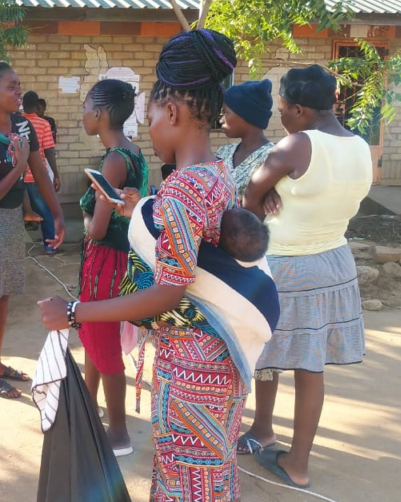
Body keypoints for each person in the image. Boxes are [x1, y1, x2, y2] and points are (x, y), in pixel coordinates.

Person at [39, 30, 250, 502]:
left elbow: (168, 292)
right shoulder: (217, 172)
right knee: (211, 478)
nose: (148, 129)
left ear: (172, 112)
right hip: (221, 357)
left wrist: (73, 312)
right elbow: (195, 243)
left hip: (192, 370)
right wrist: (141, 211)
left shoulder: (181, 190)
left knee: (187, 483)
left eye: (150, 116)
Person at [238, 65, 372, 490]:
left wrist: (268, 193)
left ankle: (277, 444)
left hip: (288, 265)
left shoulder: (298, 144)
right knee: (309, 365)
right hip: (334, 261)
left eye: (282, 109)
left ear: (299, 109)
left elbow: (249, 199)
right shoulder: (360, 145)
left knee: (266, 348)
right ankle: (283, 447)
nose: (280, 117)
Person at [0, 60, 66, 399]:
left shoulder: (22, 125)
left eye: (19, 85)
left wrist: (57, 212)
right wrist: (18, 166)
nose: (18, 91)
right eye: (11, 86)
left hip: (10, 220)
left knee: (3, 293)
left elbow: (39, 168)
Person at [77, 79, 148, 456]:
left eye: (86, 106)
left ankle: (118, 433)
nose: (83, 113)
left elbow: (99, 229)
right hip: (120, 260)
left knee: (102, 342)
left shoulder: (114, 161)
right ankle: (89, 408)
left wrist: (85, 218)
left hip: (106, 262)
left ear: (100, 114)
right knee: (93, 335)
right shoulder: (133, 152)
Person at [216, 79, 275, 195]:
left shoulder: (273, 157)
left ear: (246, 116)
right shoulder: (224, 152)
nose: (221, 120)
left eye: (226, 113)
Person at [22, 91, 62, 255]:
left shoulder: (15, 122)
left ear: (23, 105)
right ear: (37, 106)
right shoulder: (43, 124)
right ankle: (50, 245)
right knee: (46, 210)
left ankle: (13, 250)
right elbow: (49, 151)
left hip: (15, 177)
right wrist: (56, 174)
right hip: (36, 176)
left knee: (16, 213)